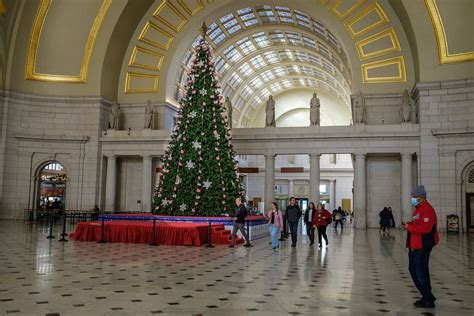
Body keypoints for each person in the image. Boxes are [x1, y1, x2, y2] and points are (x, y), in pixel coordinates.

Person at [401, 185, 439, 309]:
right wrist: (409, 224)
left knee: (421, 272)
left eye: (414, 196)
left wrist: (409, 227)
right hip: (414, 245)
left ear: (421, 197)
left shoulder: (427, 209)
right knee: (414, 270)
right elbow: (418, 224)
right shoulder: (418, 209)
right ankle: (426, 295)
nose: (412, 198)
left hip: (422, 246)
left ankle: (428, 299)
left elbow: (426, 228)